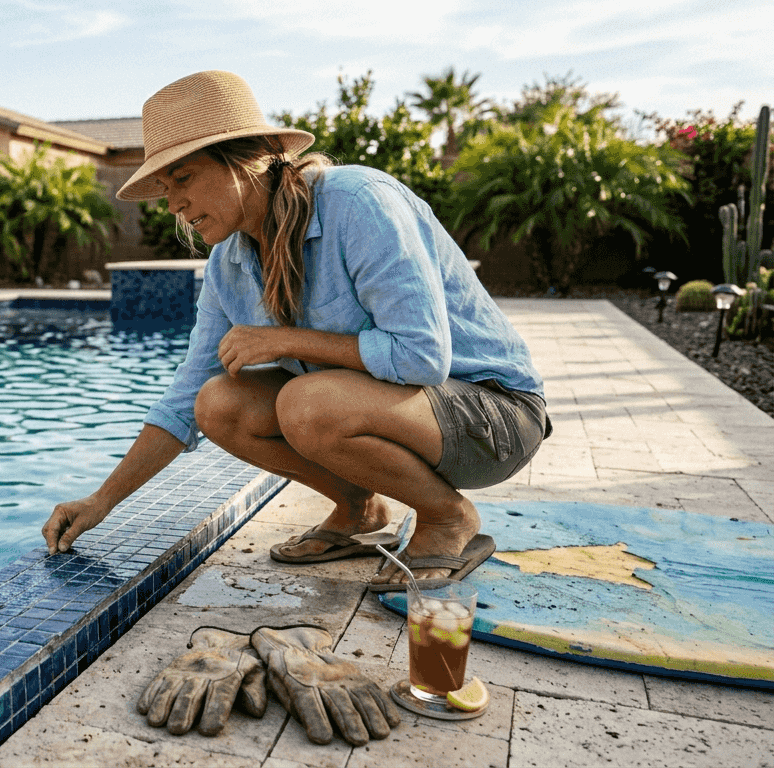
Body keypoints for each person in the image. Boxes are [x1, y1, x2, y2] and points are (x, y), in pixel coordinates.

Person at [41, 70, 550, 589]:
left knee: (305, 402)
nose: (173, 205)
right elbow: (184, 398)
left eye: (184, 178)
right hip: (402, 414)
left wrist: (285, 340)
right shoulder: (228, 264)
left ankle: (447, 517)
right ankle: (357, 509)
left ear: (247, 159)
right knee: (218, 403)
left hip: (495, 418)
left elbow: (422, 357)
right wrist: (101, 500)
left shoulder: (358, 202)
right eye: (166, 189)